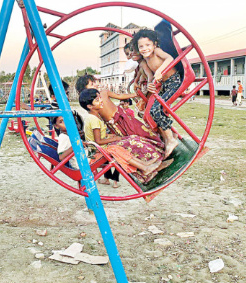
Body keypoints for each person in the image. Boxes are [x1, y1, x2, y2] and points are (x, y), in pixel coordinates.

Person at [79, 89, 172, 183]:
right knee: (132, 142)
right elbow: (98, 141)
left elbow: (100, 136)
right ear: (90, 106)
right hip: (101, 149)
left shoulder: (95, 116)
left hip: (103, 146)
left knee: (133, 138)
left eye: (100, 98)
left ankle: (147, 164)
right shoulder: (93, 119)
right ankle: (146, 168)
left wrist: (111, 136)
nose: (101, 100)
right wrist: (116, 138)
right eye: (97, 100)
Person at [76, 75, 164, 147]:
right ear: (84, 90)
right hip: (114, 124)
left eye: (94, 82)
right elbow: (97, 121)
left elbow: (120, 96)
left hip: (123, 116)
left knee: (140, 130)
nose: (95, 85)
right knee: (129, 139)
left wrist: (135, 94)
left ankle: (159, 144)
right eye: (92, 84)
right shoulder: (92, 104)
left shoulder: (103, 92)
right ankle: (149, 152)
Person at [132, 29, 181, 158]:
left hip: (174, 81)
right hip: (164, 84)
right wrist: (150, 85)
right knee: (151, 112)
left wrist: (159, 71)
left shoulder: (157, 52)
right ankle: (170, 136)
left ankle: (171, 140)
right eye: (141, 46)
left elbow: (169, 58)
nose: (144, 49)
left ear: (154, 45)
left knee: (156, 110)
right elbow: (150, 76)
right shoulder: (146, 59)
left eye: (148, 45)